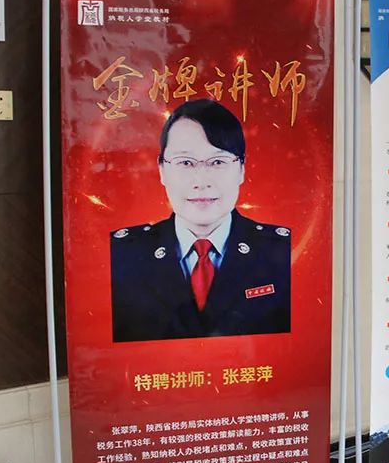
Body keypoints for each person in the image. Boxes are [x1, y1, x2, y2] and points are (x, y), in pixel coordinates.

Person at [110, 99, 291, 341]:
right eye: (185, 163)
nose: (201, 181)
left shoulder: (282, 251)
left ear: (242, 169)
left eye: (218, 162)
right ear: (162, 170)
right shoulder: (122, 255)